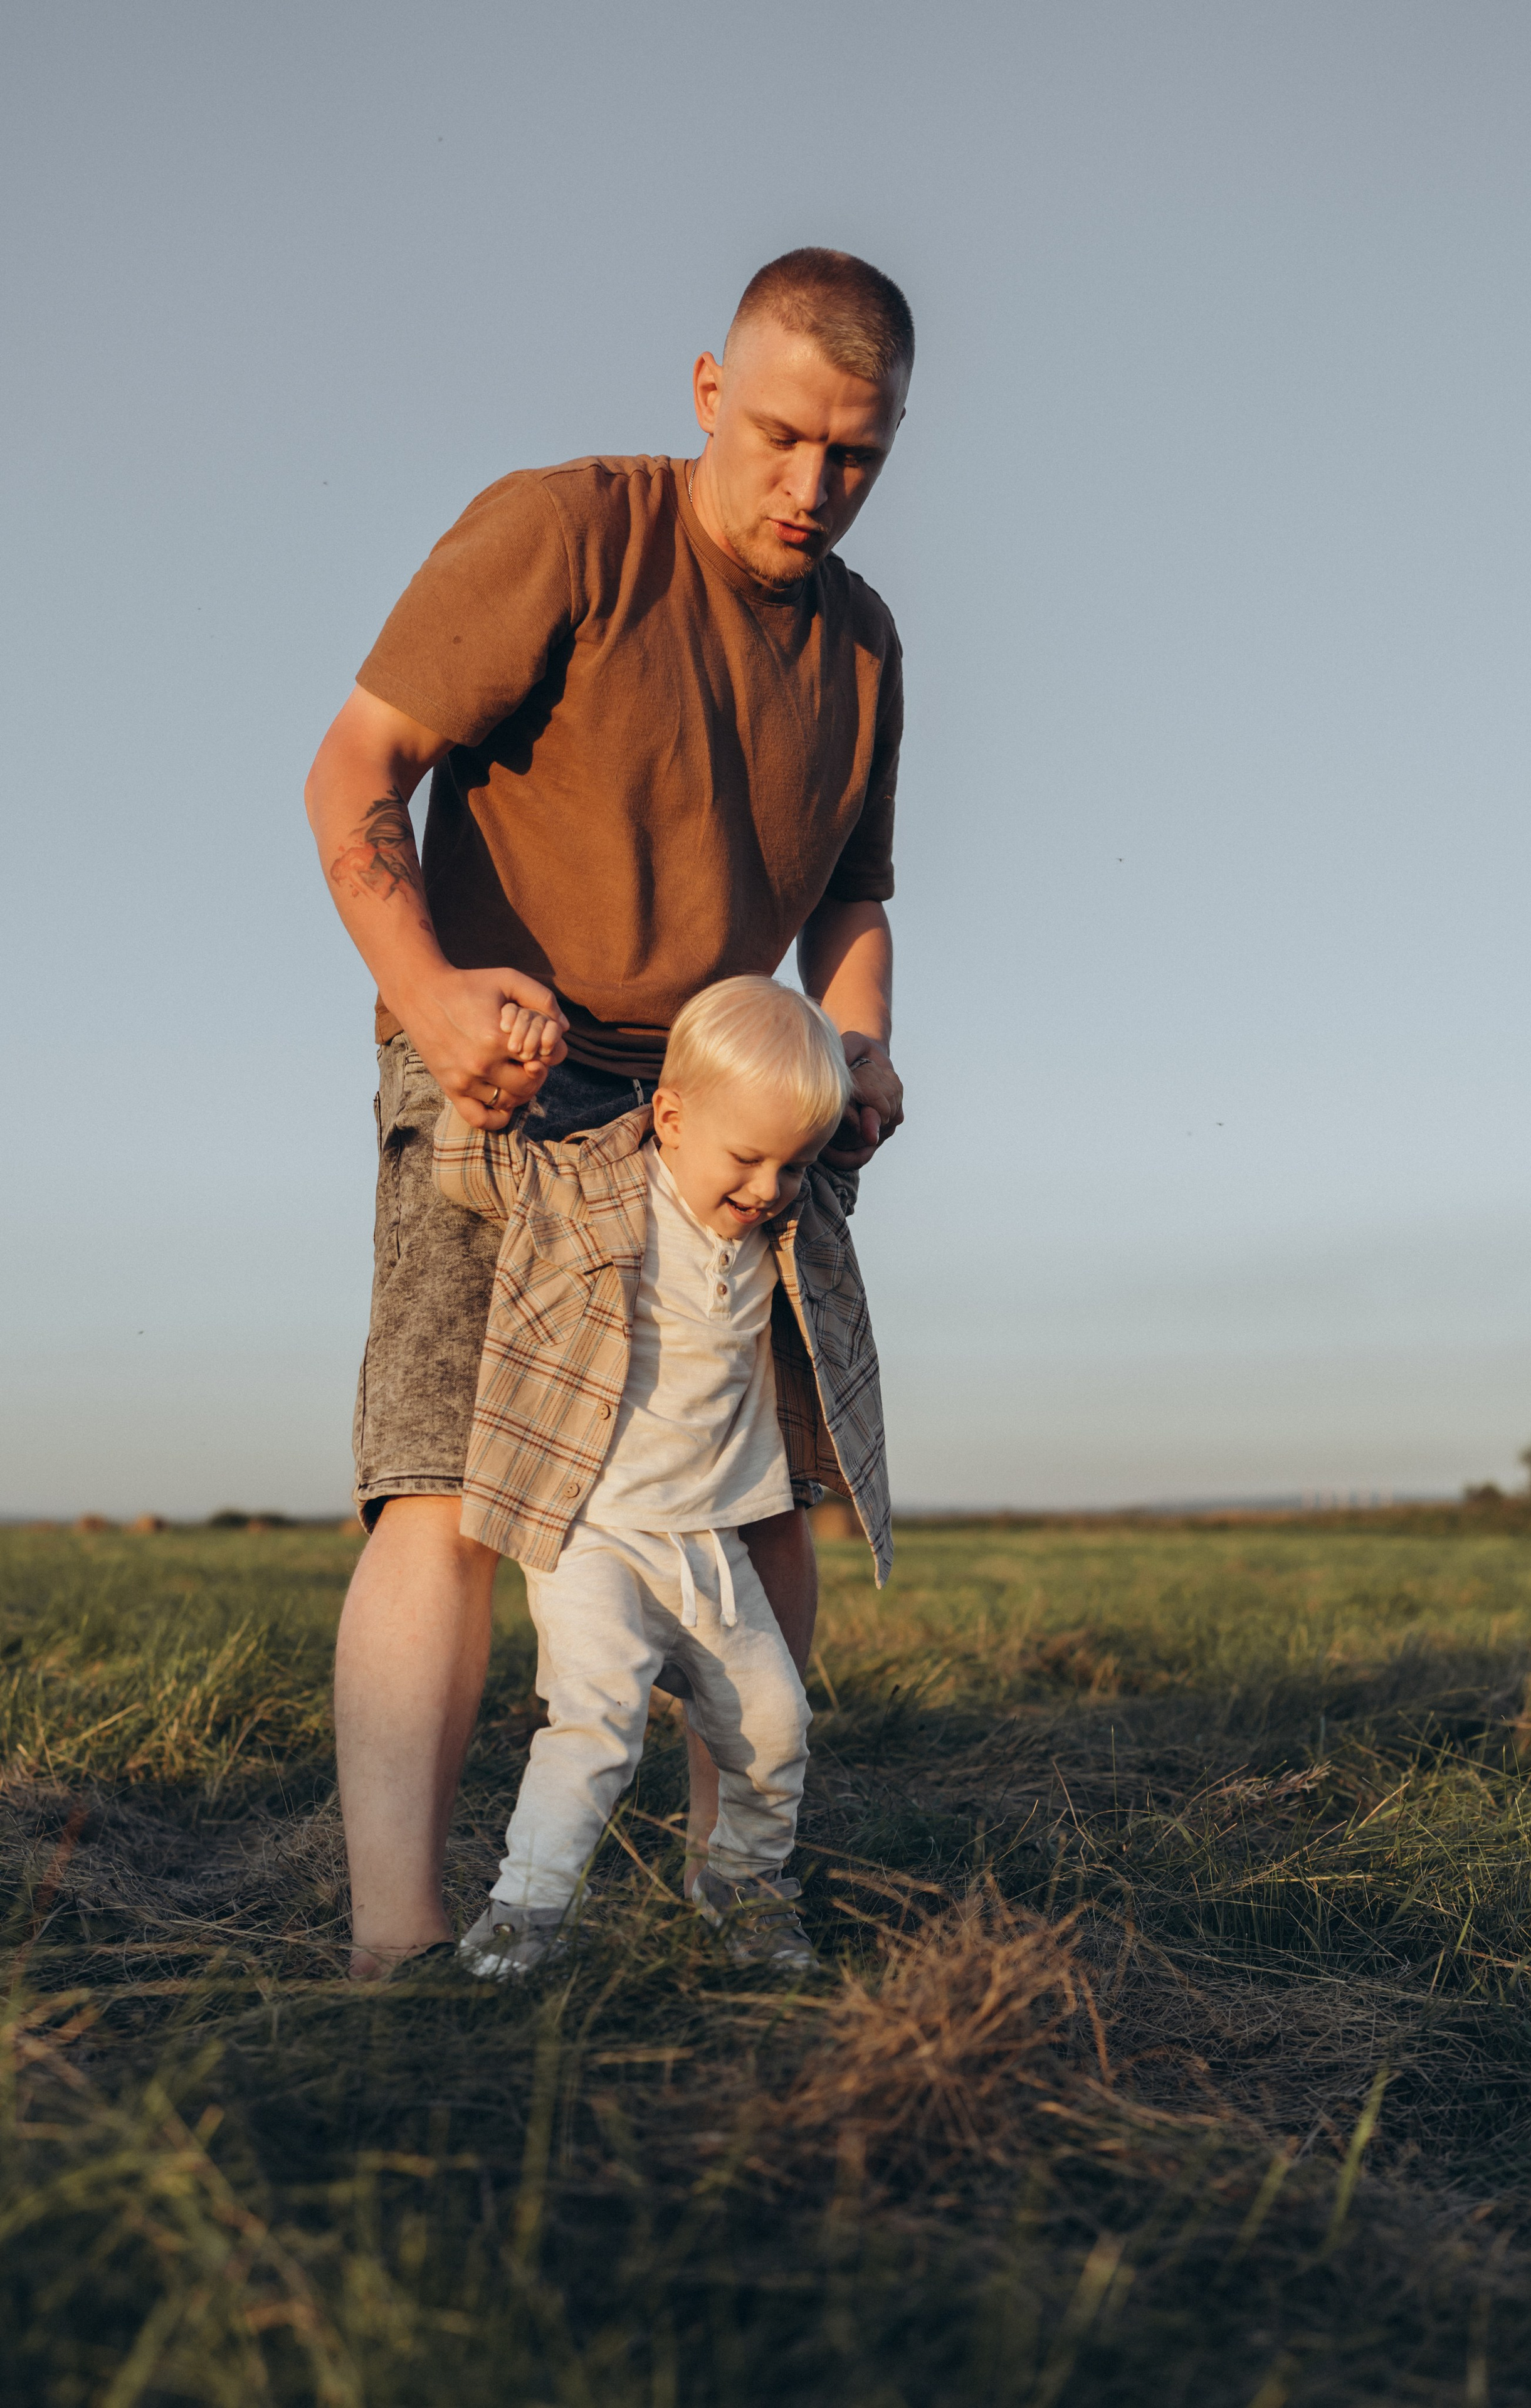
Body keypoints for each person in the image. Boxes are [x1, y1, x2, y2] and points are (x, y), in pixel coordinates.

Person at [304, 246, 912, 1978]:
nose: (813, 486)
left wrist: (857, 1044)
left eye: (856, 454)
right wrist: (431, 999)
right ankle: (399, 1952)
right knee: (445, 1490)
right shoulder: (561, 533)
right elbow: (352, 772)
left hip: (728, 1097)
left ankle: (739, 1905)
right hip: (506, 1054)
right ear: (711, 392)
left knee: (766, 1490)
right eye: (785, 433)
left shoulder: (863, 645)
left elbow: (853, 903)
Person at [439, 978, 890, 1980]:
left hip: (712, 1544)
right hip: (593, 1533)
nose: (771, 1186)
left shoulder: (789, 1214)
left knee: (777, 1729)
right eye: (748, 1159)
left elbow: (838, 1169)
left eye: (793, 1163)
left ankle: (741, 1891)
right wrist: (502, 1082)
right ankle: (525, 1916)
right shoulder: (592, 1188)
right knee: (595, 1727)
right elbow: (473, 1174)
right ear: (674, 1119)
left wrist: (862, 1099)